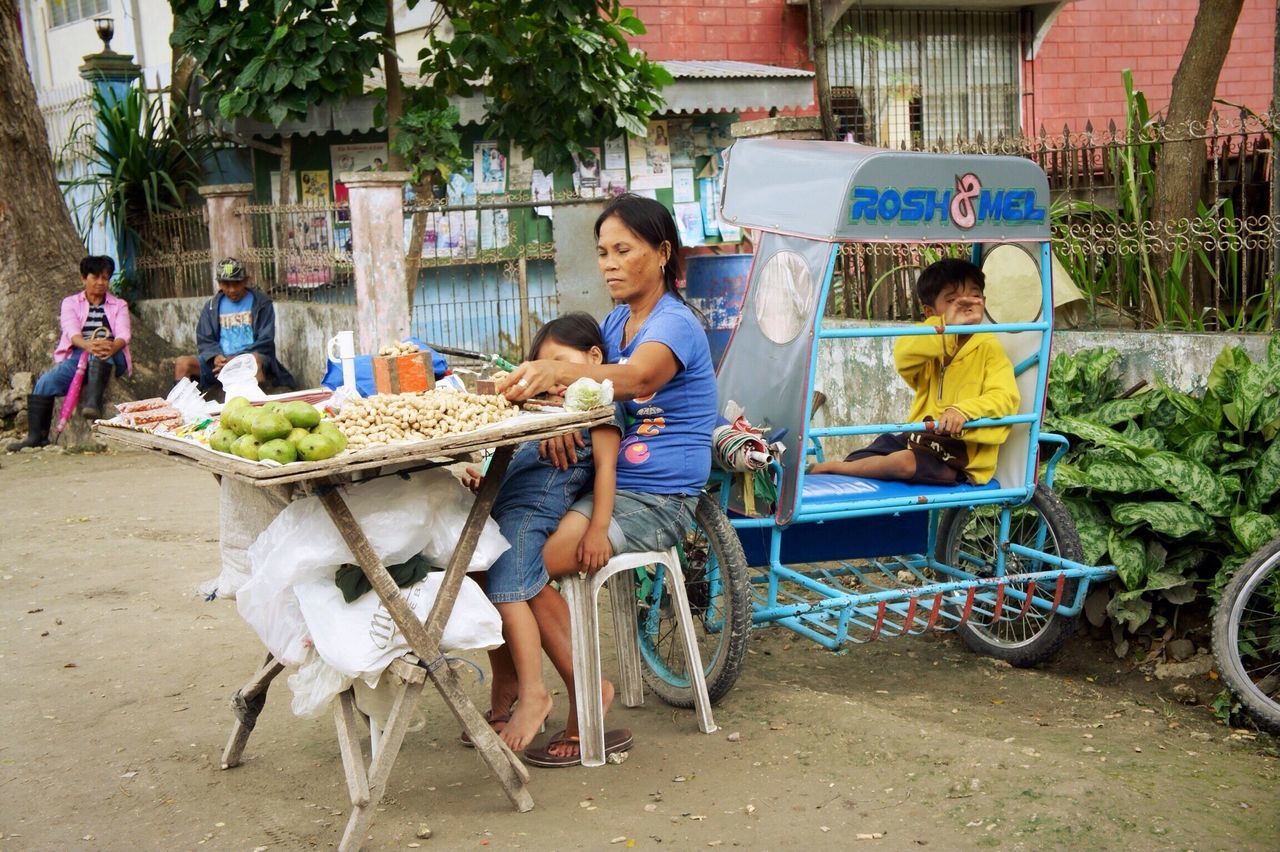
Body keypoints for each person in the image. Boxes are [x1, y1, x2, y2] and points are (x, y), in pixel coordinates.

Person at [498, 193, 717, 766]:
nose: (609, 263)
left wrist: (566, 373)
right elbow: (596, 391)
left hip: (659, 496)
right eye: (602, 252)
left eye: (624, 250)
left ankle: (583, 692)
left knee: (531, 561)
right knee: (503, 542)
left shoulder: (675, 324)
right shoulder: (620, 318)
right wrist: (561, 410)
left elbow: (636, 377)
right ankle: (547, 690)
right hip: (609, 479)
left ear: (663, 252)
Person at [465, 314, 622, 753]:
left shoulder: (598, 405)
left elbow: (606, 468)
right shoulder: (541, 409)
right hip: (504, 504)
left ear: (593, 359)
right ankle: (523, 685)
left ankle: (535, 692)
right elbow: (508, 459)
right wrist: (486, 479)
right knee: (471, 561)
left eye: (559, 363)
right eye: (542, 366)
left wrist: (598, 528)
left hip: (531, 515)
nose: (551, 377)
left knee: (508, 583)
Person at [809, 258, 1019, 486]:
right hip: (920, 436)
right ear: (931, 312)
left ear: (984, 302)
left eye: (975, 296)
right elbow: (903, 356)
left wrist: (963, 411)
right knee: (863, 456)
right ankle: (841, 469)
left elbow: (1005, 398)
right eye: (952, 300)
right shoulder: (928, 343)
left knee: (904, 463)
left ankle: (830, 467)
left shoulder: (989, 347)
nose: (966, 304)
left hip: (960, 451)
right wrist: (944, 326)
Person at [9, 255, 131, 451]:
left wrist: (109, 347)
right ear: (84, 278)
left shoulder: (119, 305)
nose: (101, 283)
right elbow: (71, 331)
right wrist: (89, 345)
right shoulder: (71, 303)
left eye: (105, 278)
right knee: (45, 383)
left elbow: (124, 334)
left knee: (99, 353)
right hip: (79, 354)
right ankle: (36, 437)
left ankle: (93, 404)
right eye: (95, 277)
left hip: (112, 353)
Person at [173, 257, 295, 396]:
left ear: (245, 281)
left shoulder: (262, 304)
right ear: (219, 283)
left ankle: (258, 406)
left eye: (236, 284)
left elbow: (265, 340)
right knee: (182, 364)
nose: (232, 290)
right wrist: (215, 356)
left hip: (248, 361)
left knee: (255, 361)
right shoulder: (212, 306)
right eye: (226, 284)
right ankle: (182, 409)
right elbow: (204, 339)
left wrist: (236, 360)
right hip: (219, 364)